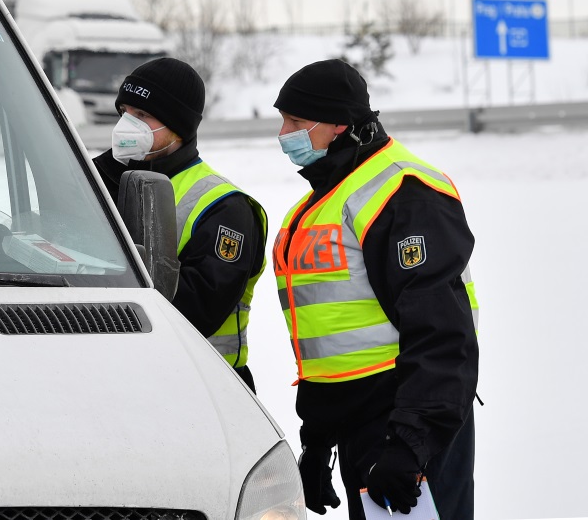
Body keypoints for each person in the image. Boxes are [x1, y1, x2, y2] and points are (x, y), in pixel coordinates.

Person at [272, 59, 479, 520]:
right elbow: (330, 341)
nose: (283, 133)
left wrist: (410, 445)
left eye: (298, 122)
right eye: (282, 119)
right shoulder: (319, 203)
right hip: (362, 428)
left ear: (341, 125)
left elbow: (442, 333)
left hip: (408, 422)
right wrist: (318, 443)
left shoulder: (403, 192)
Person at [91, 57, 267, 392]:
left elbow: (197, 310)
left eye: (142, 116)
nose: (128, 125)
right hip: (119, 379)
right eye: (125, 112)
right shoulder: (98, 181)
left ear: (177, 127)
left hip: (206, 386)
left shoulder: (224, 207)